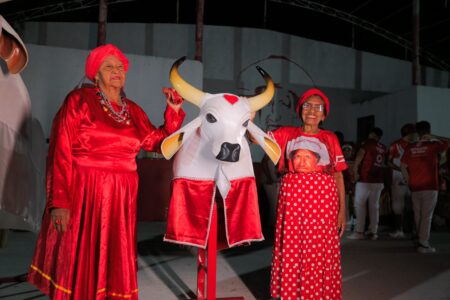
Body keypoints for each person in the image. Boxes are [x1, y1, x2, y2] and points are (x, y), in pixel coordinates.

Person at [27, 44, 185, 299]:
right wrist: (59, 202)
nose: (116, 71)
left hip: (121, 197)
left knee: (113, 253)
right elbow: (60, 151)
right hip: (84, 192)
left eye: (120, 67)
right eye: (109, 67)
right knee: (80, 253)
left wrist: (174, 113)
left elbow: (159, 143)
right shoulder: (78, 101)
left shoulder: (132, 110)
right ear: (95, 74)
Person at [269, 88, 347, 300]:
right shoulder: (286, 133)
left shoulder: (329, 138)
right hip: (293, 199)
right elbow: (259, 140)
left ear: (323, 115)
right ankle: (292, 294)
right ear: (299, 110)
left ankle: (317, 295)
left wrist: (342, 211)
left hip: (322, 199)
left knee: (318, 248)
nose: (312, 110)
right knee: (293, 247)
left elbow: (339, 176)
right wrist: (248, 117)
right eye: (307, 105)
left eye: (317, 107)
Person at [400, 121, 448, 254]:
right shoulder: (433, 145)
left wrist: (408, 179)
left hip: (415, 186)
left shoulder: (410, 147)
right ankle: (423, 243)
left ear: (417, 132)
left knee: (418, 214)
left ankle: (419, 239)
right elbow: (448, 142)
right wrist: (434, 136)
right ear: (429, 130)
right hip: (430, 185)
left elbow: (403, 165)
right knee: (427, 216)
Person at [348, 127, 387, 240]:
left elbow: (360, 156)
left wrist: (355, 171)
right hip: (378, 180)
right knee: (374, 207)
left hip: (365, 179)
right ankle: (373, 232)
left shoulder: (368, 143)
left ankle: (359, 231)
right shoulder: (383, 147)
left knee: (359, 205)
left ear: (371, 134)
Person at [387, 123, 417, 238]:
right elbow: (388, 162)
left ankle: (411, 229)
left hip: (413, 178)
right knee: (398, 205)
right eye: (414, 133)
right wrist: (400, 169)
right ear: (409, 133)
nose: (416, 135)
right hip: (398, 178)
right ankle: (399, 230)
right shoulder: (396, 145)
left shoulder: (415, 145)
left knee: (412, 204)